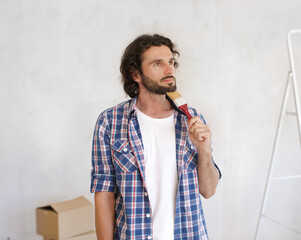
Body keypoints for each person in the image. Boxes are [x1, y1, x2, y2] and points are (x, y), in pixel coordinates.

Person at [90, 34, 221, 240]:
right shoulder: (110, 122)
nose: (169, 70)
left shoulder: (192, 120)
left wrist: (204, 150)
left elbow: (209, 190)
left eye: (170, 62)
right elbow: (104, 194)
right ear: (136, 74)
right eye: (157, 64)